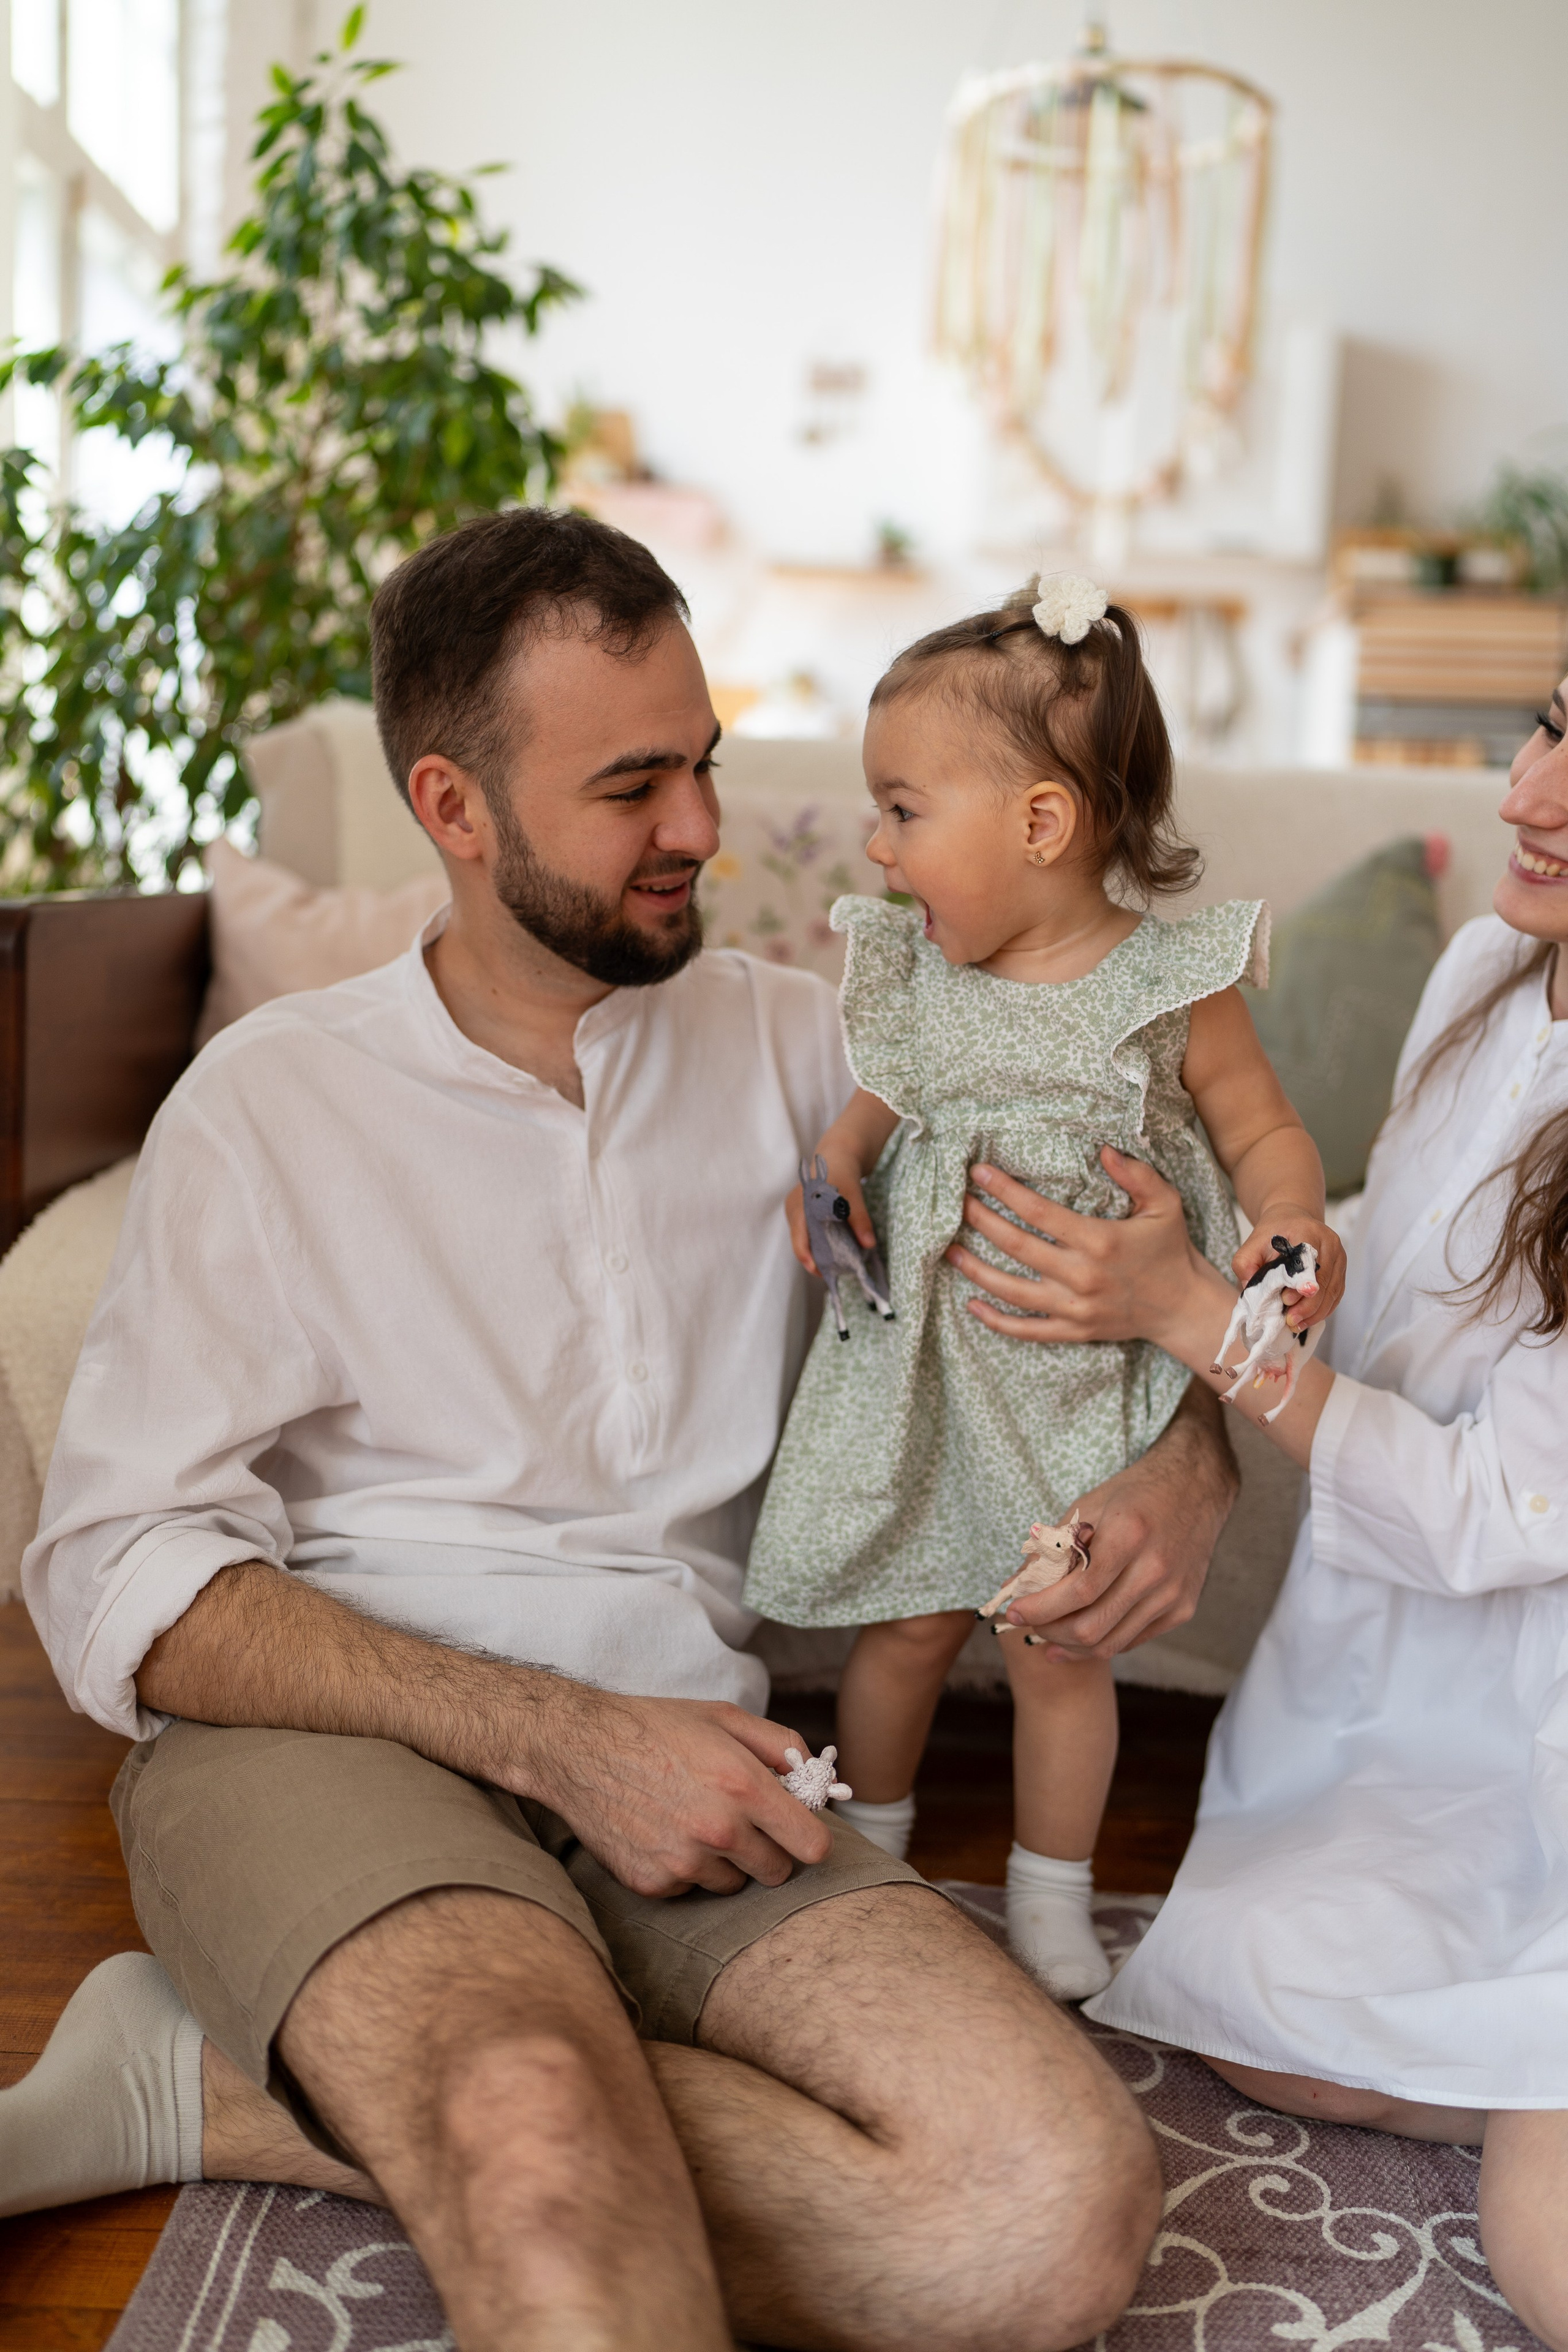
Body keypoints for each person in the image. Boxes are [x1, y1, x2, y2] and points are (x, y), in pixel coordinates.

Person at [7, 510, 1245, 2352]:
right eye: (631, 786)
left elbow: (1144, 1228)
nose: (701, 828)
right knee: (531, 2114)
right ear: (451, 807)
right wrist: (566, 1740)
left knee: (1047, 2214)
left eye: (705, 763)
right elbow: (122, 1576)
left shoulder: (820, 1047)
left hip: (700, 1758)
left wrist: (1188, 1457)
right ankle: (480, 2096)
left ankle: (229, 2088)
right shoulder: (268, 1105)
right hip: (336, 1739)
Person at [937, 681, 1568, 2347]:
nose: (1526, 794)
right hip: (1411, 1684)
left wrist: (1194, 1320)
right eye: (1549, 724)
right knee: (1257, 2013)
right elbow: (1399, 1241)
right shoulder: (1486, 971)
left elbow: (1491, 1508)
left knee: (1544, 2239)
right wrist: (1292, 1254)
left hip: (1532, 1694)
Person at [745, 575, 1344, 2002]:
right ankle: (871, 1856)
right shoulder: (919, 974)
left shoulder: (1170, 984)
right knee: (904, 1628)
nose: (876, 848)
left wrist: (1291, 1220)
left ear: (1038, 825)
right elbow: (872, 1111)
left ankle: (1050, 1891)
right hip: (931, 1374)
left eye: (902, 810)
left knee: (1056, 1646)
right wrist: (832, 1168)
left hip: (1083, 1383)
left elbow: (1262, 1130)